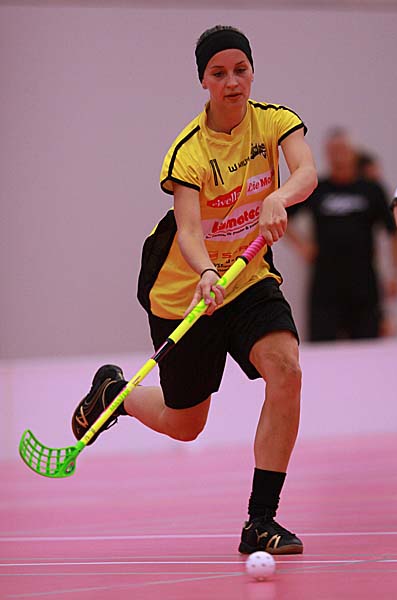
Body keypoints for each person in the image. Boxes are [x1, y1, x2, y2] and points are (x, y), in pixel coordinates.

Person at [71, 25, 317, 555]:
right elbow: (187, 230)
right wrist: (205, 271)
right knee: (185, 425)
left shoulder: (275, 122)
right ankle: (116, 395)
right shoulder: (189, 151)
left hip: (248, 278)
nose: (233, 83)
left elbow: (306, 173)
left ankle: (261, 521)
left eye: (241, 70)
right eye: (219, 73)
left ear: (252, 71)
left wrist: (278, 198)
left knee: (287, 370)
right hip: (188, 289)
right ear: (203, 80)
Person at [287, 128, 397, 341]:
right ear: (327, 154)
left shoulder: (371, 189)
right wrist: (302, 246)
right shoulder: (316, 189)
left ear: (353, 152)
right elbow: (282, 216)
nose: (339, 155)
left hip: (363, 284)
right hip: (325, 284)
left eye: (343, 149)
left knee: (368, 346)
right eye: (333, 150)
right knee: (322, 345)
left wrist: (395, 274)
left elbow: (393, 232)